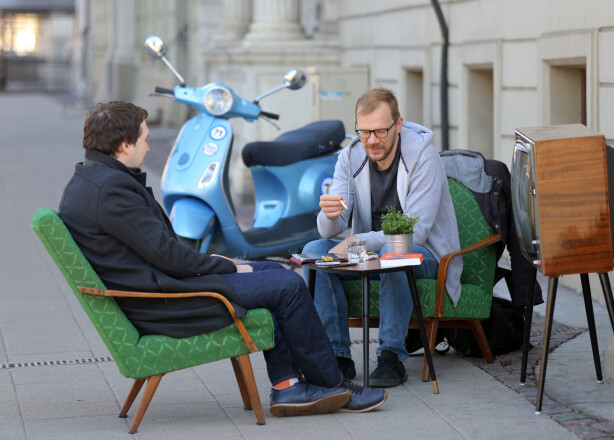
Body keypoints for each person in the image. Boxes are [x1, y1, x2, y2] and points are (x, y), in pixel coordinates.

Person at [58, 101, 386, 417]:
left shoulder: (89, 180)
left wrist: (221, 263)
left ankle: (288, 385)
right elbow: (170, 258)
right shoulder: (112, 190)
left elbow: (159, 253)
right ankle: (332, 385)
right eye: (144, 140)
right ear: (124, 146)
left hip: (158, 290)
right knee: (287, 283)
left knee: (272, 269)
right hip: (167, 302)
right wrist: (228, 265)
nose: (148, 147)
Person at [302, 87, 463, 387]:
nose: (372, 141)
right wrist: (329, 215)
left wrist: (358, 242)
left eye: (380, 131)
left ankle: (391, 356)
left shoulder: (424, 157)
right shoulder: (349, 157)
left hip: (426, 254)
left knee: (396, 253)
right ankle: (337, 356)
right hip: (370, 253)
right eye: (364, 132)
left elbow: (418, 229)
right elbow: (329, 232)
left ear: (398, 125)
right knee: (314, 251)